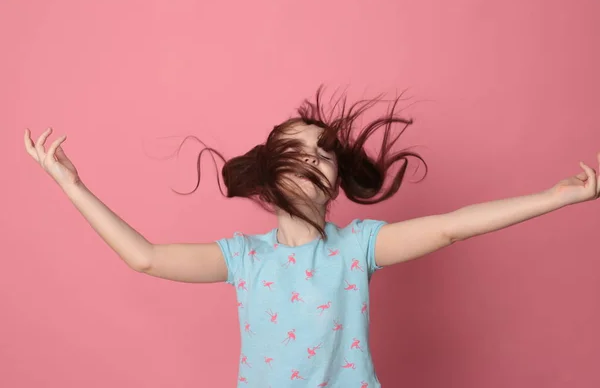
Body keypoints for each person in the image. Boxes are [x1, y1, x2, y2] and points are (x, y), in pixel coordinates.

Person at [24, 87, 599, 387]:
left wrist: (560, 196)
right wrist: (73, 186)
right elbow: (144, 258)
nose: (316, 159)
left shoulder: (358, 248)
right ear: (274, 175)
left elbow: (449, 229)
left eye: (325, 152)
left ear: (334, 183)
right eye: (300, 150)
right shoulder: (244, 258)